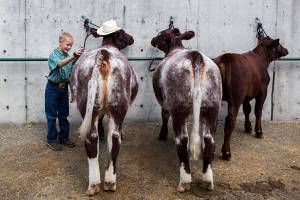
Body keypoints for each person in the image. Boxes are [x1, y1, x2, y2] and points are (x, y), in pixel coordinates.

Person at [45, 32, 83, 151]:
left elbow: (70, 74)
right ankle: (51, 139)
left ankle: (63, 137)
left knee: (63, 115)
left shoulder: (68, 56)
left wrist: (72, 90)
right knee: (51, 116)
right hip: (52, 89)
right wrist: (73, 56)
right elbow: (60, 64)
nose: (69, 47)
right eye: (67, 45)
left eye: (71, 45)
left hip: (63, 89)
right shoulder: (53, 55)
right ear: (60, 42)